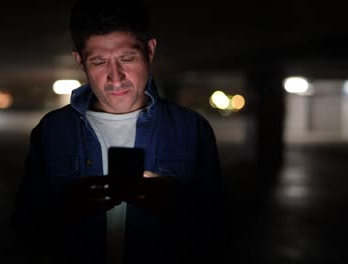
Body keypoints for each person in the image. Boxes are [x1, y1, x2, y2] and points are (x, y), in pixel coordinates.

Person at [12, 0, 225, 263]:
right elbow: (25, 231)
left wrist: (177, 206)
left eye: (127, 58)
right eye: (99, 61)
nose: (115, 77)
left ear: (150, 50)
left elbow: (217, 233)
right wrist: (64, 208)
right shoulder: (53, 130)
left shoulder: (192, 129)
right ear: (80, 61)